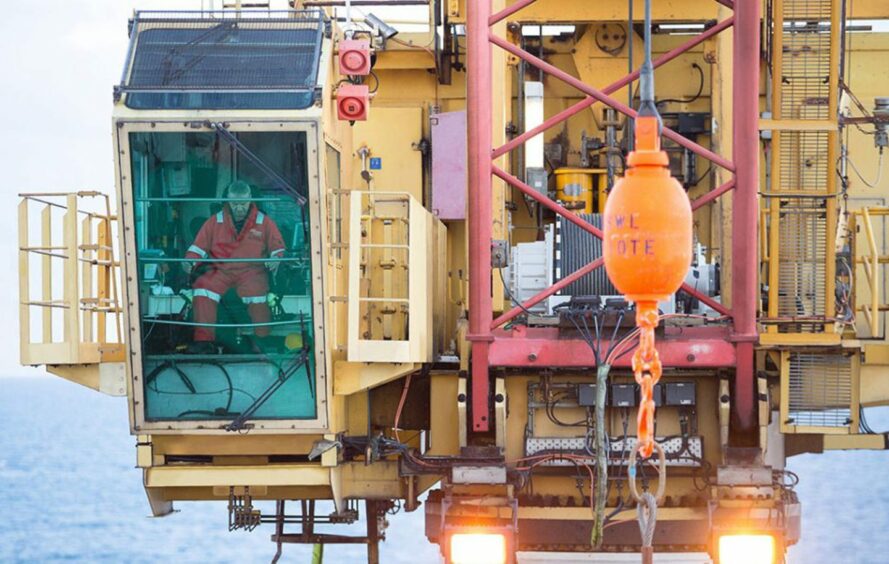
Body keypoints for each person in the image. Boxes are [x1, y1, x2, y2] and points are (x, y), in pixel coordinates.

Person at [183, 181, 285, 350]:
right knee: (203, 288)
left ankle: (261, 341)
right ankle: (204, 343)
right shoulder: (214, 221)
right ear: (227, 201)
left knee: (257, 294)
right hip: (220, 271)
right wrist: (189, 261)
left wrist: (276, 258)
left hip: (252, 272)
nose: (239, 208)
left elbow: (278, 246)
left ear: (250, 200)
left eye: (243, 203)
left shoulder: (263, 221)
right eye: (235, 203)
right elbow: (198, 247)